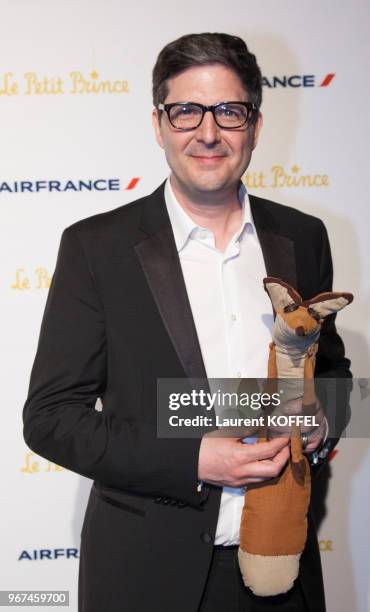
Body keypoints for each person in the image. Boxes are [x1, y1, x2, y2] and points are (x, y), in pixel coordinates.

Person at [23, 33, 351, 612]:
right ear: (158, 124)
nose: (208, 132)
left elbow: (334, 371)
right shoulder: (97, 248)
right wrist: (192, 459)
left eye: (228, 111)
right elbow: (51, 419)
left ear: (254, 124)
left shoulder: (303, 237)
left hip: (280, 570)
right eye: (186, 111)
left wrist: (323, 422)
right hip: (145, 576)